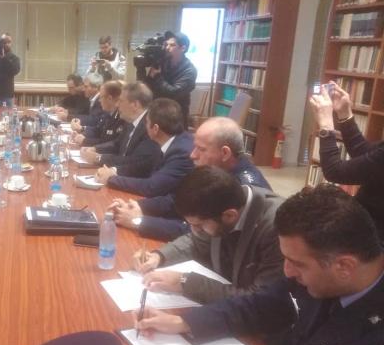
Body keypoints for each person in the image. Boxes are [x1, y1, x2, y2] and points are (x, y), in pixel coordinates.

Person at [135, 184, 384, 345]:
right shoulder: (327, 273)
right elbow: (261, 304)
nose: (287, 272)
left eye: (297, 263)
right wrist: (184, 321)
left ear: (344, 266)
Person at [133, 166, 284, 304]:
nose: (194, 230)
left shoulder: (276, 228)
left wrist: (185, 282)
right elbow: (195, 241)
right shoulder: (223, 205)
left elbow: (259, 300)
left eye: (198, 225)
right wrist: (159, 256)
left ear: (229, 216)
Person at [104, 98, 194, 241]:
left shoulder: (182, 151)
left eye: (146, 122)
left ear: (155, 128)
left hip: (177, 226)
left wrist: (111, 179)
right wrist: (136, 206)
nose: (195, 154)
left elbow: (152, 187)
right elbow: (171, 197)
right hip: (167, 213)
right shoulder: (170, 143)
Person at [310, 82, 384, 241]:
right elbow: (364, 152)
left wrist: (326, 126)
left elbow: (334, 171)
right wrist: (344, 114)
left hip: (371, 239)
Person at [80, 82, 161, 178]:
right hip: (119, 174)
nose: (117, 105)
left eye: (121, 101)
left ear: (135, 105)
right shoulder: (131, 121)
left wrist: (99, 158)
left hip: (132, 180)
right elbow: (116, 144)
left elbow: (135, 162)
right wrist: (95, 148)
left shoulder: (149, 126)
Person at [191, 117, 271, 189]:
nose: (193, 155)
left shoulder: (245, 191)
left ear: (225, 153)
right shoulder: (220, 171)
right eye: (195, 147)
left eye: (201, 149)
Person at [142, 31, 197, 125]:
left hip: (175, 118)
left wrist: (158, 77)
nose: (167, 48)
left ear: (183, 48)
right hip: (157, 112)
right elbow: (148, 86)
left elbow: (174, 93)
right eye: (167, 44)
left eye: (172, 45)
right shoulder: (163, 63)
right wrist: (143, 71)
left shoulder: (189, 70)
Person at [72, 80, 126, 147]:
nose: (99, 100)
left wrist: (85, 141)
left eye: (101, 97)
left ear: (109, 98)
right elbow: (98, 130)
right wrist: (82, 130)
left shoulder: (122, 118)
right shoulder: (108, 113)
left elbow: (109, 143)